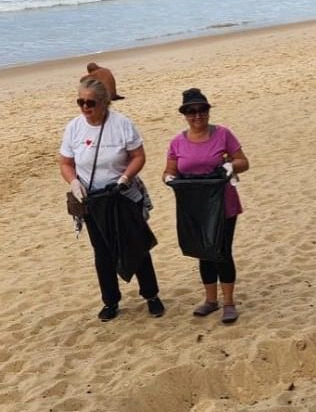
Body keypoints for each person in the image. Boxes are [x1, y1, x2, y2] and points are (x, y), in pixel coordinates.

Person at [59, 78, 164, 321]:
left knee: (136, 245)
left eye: (91, 103)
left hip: (122, 196)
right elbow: (65, 163)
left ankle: (151, 295)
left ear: (104, 103)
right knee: (102, 252)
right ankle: (110, 301)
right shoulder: (74, 128)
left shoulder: (122, 124)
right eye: (80, 102)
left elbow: (138, 156)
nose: (85, 108)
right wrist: (73, 182)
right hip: (93, 202)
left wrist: (125, 178)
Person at [163, 88, 249, 324]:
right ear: (185, 115)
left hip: (223, 204)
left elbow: (243, 161)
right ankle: (211, 300)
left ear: (208, 111)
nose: (197, 115)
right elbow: (169, 171)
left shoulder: (223, 135)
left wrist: (232, 166)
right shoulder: (177, 142)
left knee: (221, 251)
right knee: (203, 253)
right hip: (194, 207)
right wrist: (169, 179)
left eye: (201, 110)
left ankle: (229, 302)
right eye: (191, 111)